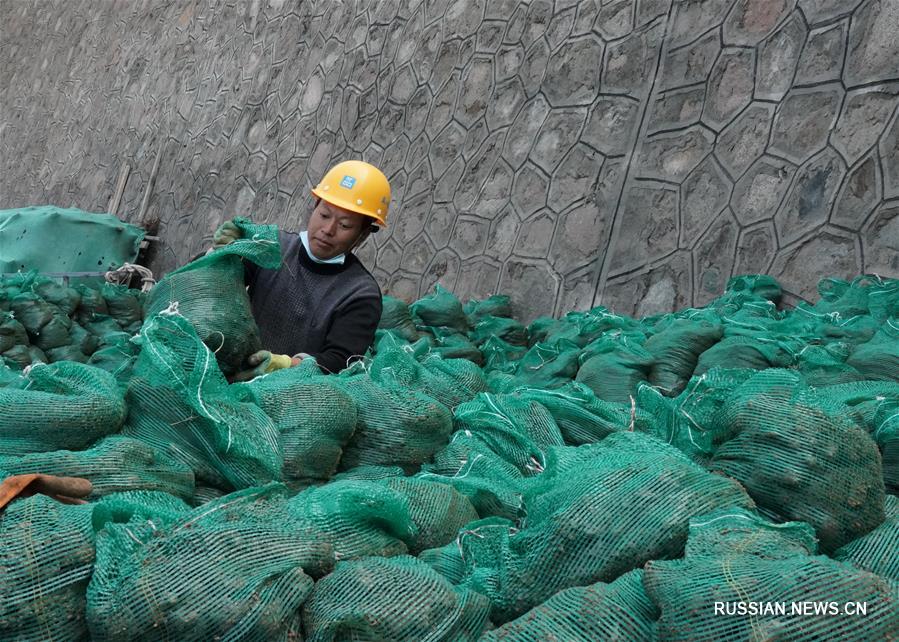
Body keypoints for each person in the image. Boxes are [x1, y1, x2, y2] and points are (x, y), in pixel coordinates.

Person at [215, 160, 388, 379]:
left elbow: (340, 360)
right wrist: (221, 251)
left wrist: (285, 365)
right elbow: (219, 279)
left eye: (344, 225)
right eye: (324, 215)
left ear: (362, 235)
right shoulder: (271, 246)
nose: (328, 230)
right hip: (231, 369)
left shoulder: (361, 294)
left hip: (291, 394)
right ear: (314, 208)